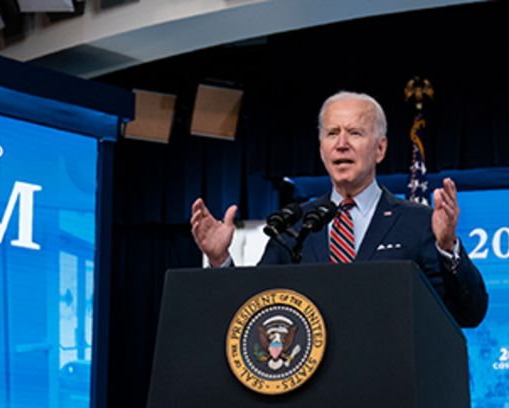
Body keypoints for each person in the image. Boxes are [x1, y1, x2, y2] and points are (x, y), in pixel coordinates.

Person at [189, 91, 488, 328]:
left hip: (389, 393)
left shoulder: (418, 221)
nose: (341, 144)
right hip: (309, 396)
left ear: (380, 149)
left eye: (355, 133)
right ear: (321, 149)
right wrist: (220, 261)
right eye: (332, 133)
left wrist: (447, 247)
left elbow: (469, 313)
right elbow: (256, 309)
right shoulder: (294, 225)